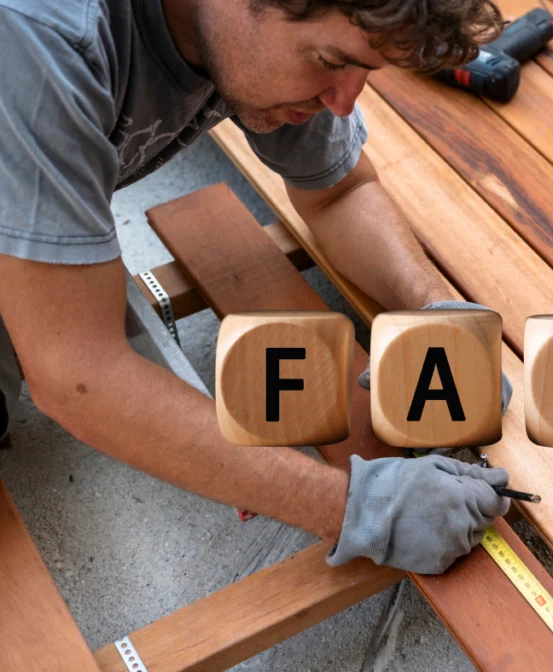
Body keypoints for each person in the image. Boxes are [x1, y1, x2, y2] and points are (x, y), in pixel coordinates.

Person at [0, 0, 515, 575]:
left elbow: (337, 193)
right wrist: (354, 506)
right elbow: (79, 375)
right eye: (329, 60)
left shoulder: (245, 37)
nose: (343, 101)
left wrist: (433, 311)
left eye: (364, 72)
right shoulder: (43, 37)